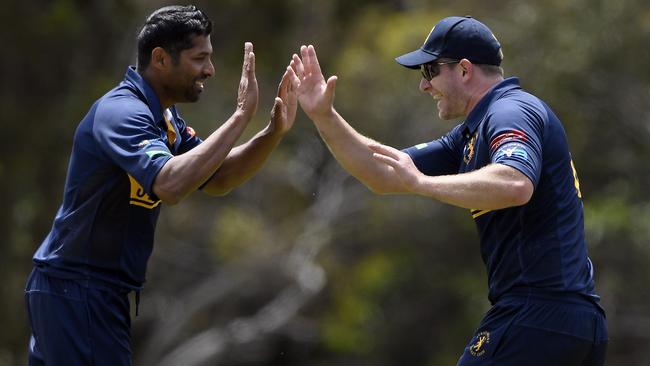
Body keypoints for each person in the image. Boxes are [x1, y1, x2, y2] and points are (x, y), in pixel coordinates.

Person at [291, 16, 607, 366]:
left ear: (464, 70)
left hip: (538, 315)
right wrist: (324, 116)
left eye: (429, 71)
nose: (423, 86)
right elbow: (382, 174)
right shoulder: (473, 131)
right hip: (573, 322)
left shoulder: (509, 111)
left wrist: (423, 184)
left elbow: (516, 183)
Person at [24, 5, 300, 365]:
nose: (210, 70)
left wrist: (272, 131)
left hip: (86, 293)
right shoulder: (122, 112)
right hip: (77, 290)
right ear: (160, 58)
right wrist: (239, 117)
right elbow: (169, 186)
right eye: (199, 58)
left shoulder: (164, 118)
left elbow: (216, 177)